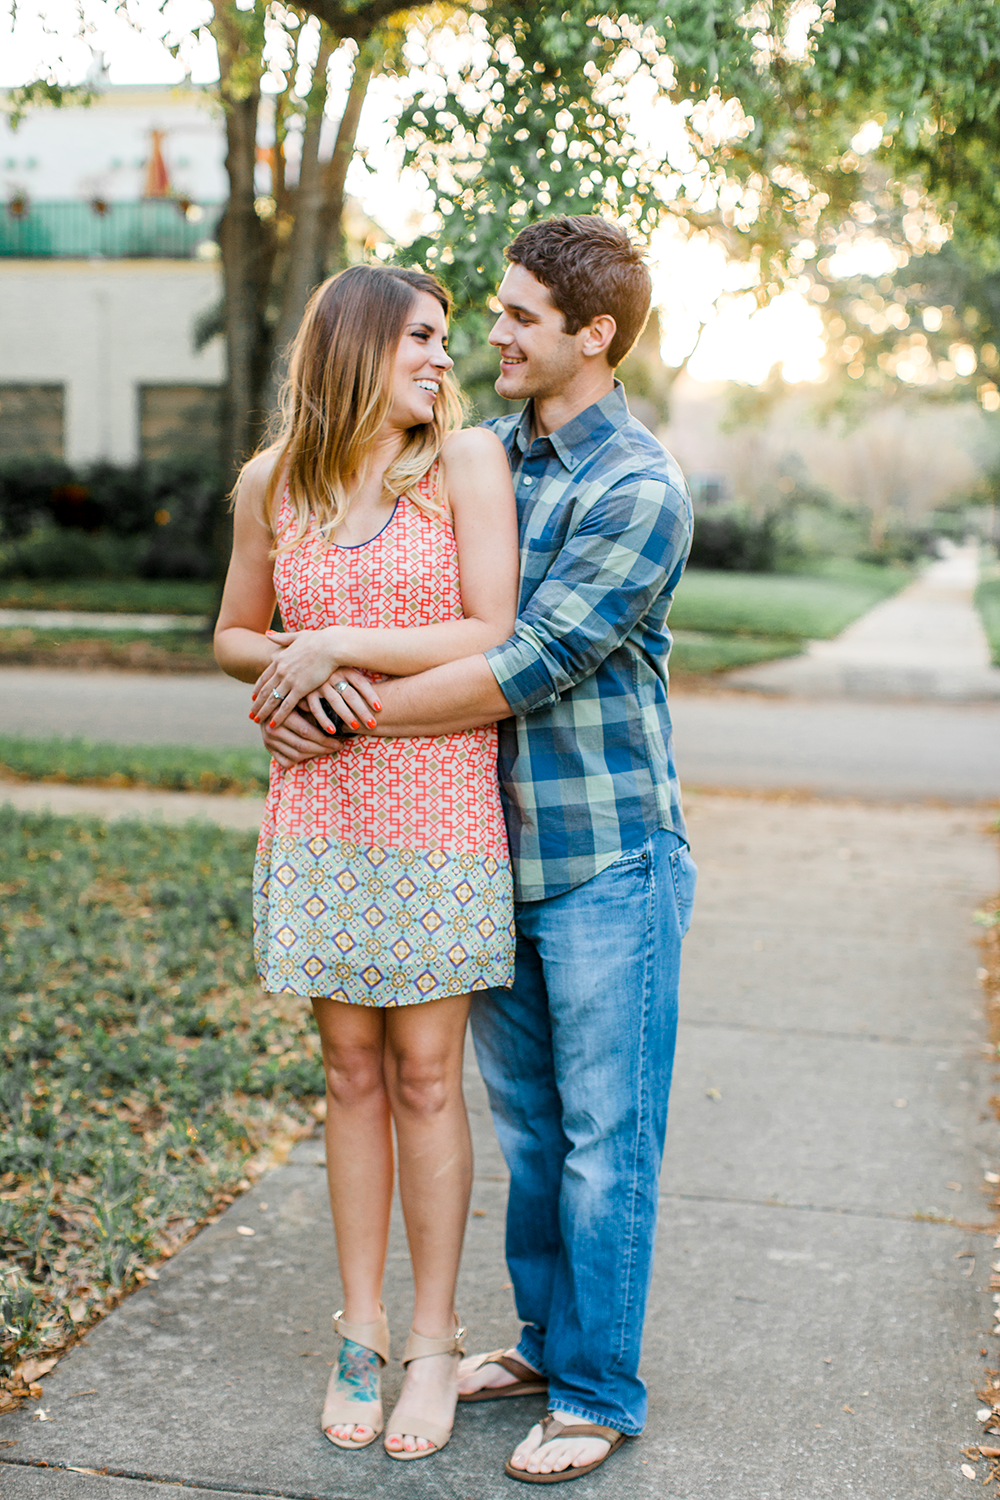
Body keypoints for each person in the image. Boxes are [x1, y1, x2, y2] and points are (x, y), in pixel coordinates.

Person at [262, 214, 696, 1483]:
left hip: (610, 852)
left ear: (592, 337)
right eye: (487, 314)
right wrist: (309, 683)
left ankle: (599, 1392)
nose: (490, 336)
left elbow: (521, 664)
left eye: (515, 317)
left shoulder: (639, 489)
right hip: (491, 849)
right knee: (530, 1123)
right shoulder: (489, 453)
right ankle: (546, 1344)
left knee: (605, 1137)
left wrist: (325, 710)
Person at [214, 263, 519, 1463]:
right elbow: (236, 632)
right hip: (321, 810)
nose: (443, 359)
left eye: (448, 339)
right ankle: (359, 1331)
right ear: (354, 347)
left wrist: (333, 643)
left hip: (437, 802)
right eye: (421, 340)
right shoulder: (273, 482)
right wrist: (278, 677)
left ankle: (435, 1343)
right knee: (347, 1069)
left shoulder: (464, 468)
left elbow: (490, 626)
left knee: (428, 1077)